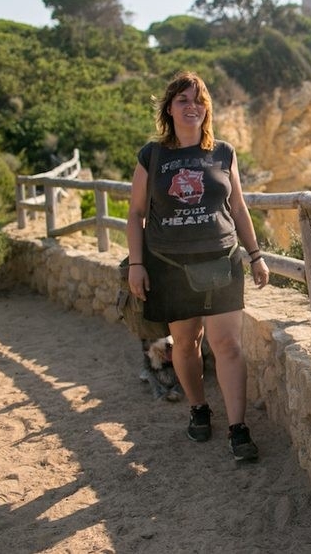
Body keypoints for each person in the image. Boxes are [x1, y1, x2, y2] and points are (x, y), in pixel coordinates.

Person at [125, 71, 269, 461]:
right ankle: (199, 407)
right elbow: (136, 213)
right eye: (183, 100)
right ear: (169, 109)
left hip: (221, 260)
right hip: (170, 265)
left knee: (228, 345)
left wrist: (255, 254)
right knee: (186, 344)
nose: (193, 107)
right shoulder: (152, 155)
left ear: (207, 108)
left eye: (199, 100)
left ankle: (238, 428)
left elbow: (237, 206)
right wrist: (136, 263)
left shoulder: (223, 152)